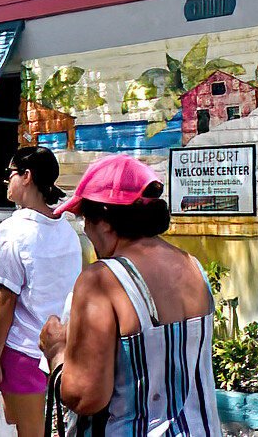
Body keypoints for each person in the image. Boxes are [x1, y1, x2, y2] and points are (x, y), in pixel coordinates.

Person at [38, 154, 221, 436]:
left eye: (86, 218)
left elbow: (84, 396)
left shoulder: (101, 280)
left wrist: (57, 351)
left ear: (106, 221)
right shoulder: (192, 266)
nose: (85, 228)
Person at [0, 146, 82, 436]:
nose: (6, 181)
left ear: (27, 176)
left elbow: (5, 299)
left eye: (10, 173)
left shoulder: (13, 230)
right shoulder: (68, 230)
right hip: (64, 350)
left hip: (23, 352)